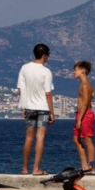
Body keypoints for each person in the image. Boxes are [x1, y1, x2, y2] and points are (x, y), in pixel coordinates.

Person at [17, 43, 55, 176]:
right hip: (43, 108)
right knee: (40, 138)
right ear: (44, 55)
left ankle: (25, 168)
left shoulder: (24, 68)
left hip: (29, 107)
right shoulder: (46, 71)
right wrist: (52, 112)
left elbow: (21, 89)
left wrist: (23, 106)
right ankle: (36, 169)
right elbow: (48, 94)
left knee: (28, 138)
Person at [72, 61, 95, 175]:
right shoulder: (84, 84)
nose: (74, 72)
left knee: (87, 140)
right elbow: (91, 94)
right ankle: (84, 165)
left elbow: (86, 103)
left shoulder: (86, 84)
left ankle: (91, 166)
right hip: (80, 114)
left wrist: (80, 119)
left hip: (85, 115)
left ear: (82, 71)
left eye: (75, 70)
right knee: (76, 139)